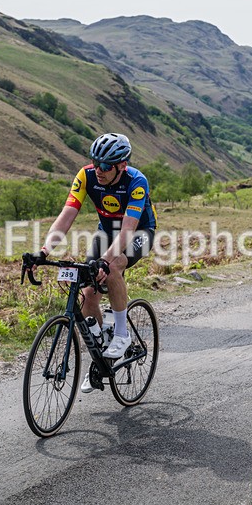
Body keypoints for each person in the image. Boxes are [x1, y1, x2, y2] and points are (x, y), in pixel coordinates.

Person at [27, 133, 157, 393]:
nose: (99, 170)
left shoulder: (136, 181)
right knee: (88, 293)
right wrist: (43, 252)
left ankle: (121, 334)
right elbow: (67, 215)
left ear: (122, 165)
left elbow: (128, 231)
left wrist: (106, 261)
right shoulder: (86, 175)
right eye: (96, 162)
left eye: (107, 166)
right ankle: (100, 355)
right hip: (106, 232)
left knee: (113, 267)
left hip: (138, 232)